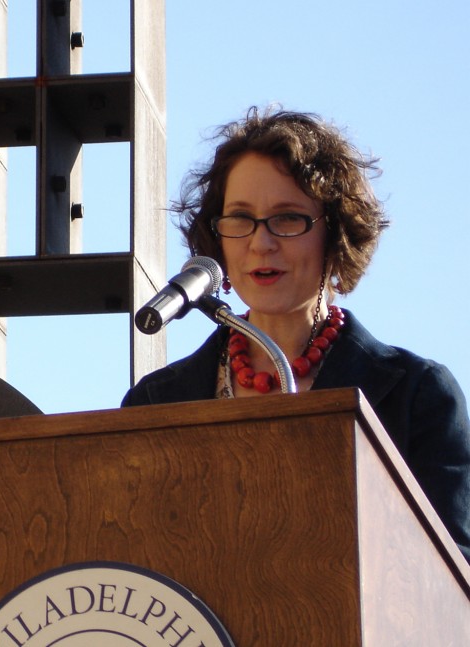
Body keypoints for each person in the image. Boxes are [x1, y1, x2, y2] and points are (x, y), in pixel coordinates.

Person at [122, 106, 470, 562]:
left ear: (335, 234)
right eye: (240, 218)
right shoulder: (156, 404)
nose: (260, 242)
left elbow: (452, 576)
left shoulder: (416, 395)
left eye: (287, 219)